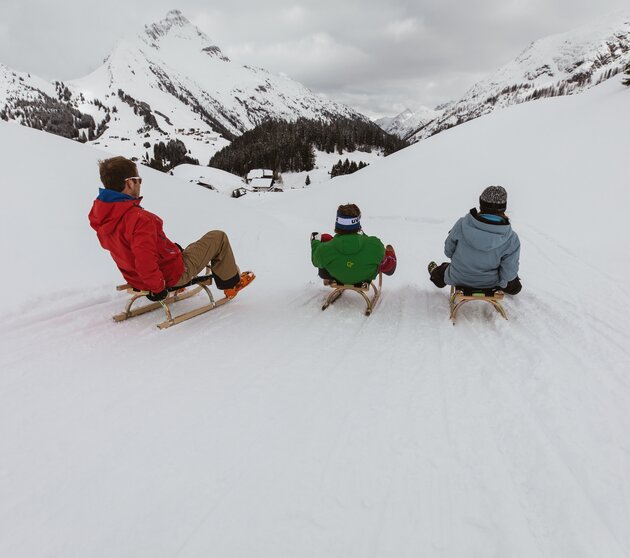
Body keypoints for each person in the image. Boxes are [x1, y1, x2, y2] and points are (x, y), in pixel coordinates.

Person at [88, 156, 254, 301]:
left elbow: (132, 249)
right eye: (138, 180)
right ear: (129, 182)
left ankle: (172, 262)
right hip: (169, 277)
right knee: (218, 237)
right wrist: (158, 288)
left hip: (135, 278)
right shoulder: (140, 219)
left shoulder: (102, 215)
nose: (140, 184)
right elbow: (144, 258)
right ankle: (232, 283)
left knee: (185, 249)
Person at [428, 185, 521, 295]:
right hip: (491, 283)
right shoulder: (511, 238)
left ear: (481, 204)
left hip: (459, 277)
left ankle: (435, 273)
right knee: (515, 286)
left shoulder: (461, 225)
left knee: (443, 270)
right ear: (504, 207)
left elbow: (448, 252)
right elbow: (508, 274)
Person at [311, 203, 397, 285]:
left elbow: (315, 261)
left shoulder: (325, 249)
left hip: (337, 275)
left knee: (324, 243)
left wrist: (314, 241)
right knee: (382, 259)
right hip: (364, 277)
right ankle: (390, 256)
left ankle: (330, 276)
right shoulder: (375, 245)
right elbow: (370, 246)